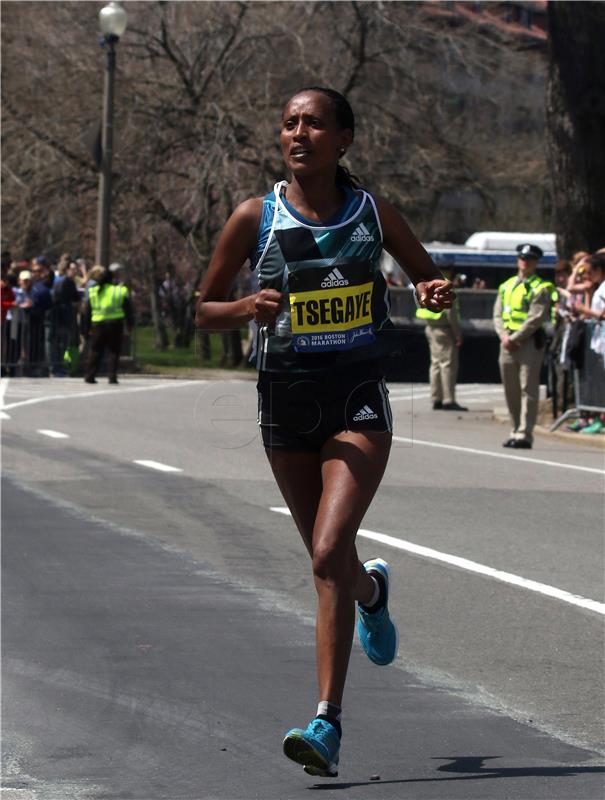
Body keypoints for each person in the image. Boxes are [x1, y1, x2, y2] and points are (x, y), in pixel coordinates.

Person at [195, 86, 453, 777]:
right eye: (288, 124)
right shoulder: (256, 216)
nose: (297, 133)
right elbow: (203, 310)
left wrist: (431, 291)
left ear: (343, 139)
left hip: (356, 397)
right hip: (285, 400)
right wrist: (246, 304)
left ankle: (326, 723)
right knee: (329, 562)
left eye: (312, 123)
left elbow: (428, 279)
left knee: (325, 551)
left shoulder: (373, 212)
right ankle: (371, 592)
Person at [493, 243, 551, 449]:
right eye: (522, 258)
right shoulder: (506, 285)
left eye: (530, 259)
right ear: (518, 260)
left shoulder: (540, 287)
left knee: (528, 388)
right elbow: (497, 314)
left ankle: (525, 434)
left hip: (527, 343)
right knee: (511, 389)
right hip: (506, 343)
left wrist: (515, 338)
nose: (525, 262)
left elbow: (535, 318)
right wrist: (503, 336)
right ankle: (515, 428)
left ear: (536, 262)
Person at [416, 271, 467, 411]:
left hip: (430, 327)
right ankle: (448, 399)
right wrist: (458, 334)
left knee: (435, 364)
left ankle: (436, 398)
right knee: (448, 365)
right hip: (444, 330)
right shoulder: (444, 285)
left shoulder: (426, 284)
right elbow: (451, 313)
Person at [83, 265, 134, 384]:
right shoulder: (119, 290)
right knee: (114, 351)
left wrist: (86, 328)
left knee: (95, 351)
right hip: (115, 324)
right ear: (112, 279)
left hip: (97, 324)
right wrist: (130, 324)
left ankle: (89, 375)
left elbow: (87, 311)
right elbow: (128, 309)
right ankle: (112, 376)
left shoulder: (93, 291)